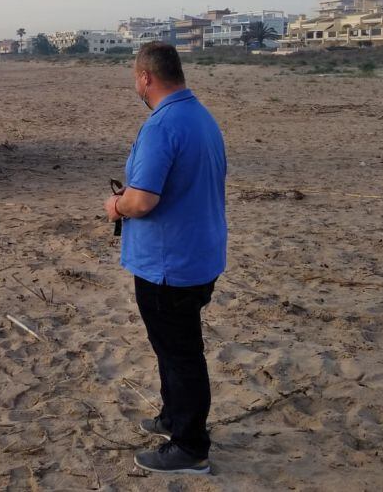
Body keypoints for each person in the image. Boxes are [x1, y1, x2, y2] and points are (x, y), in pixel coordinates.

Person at [103, 41, 227, 475]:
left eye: (135, 77)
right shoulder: (201, 117)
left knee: (181, 352)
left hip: (169, 264)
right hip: (198, 254)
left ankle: (190, 446)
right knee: (171, 346)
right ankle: (173, 417)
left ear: (146, 77)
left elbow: (142, 201)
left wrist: (115, 206)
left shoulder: (163, 125)